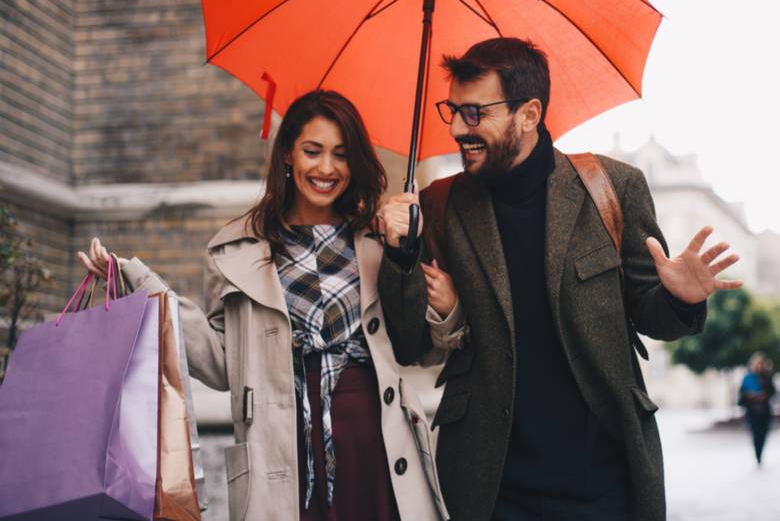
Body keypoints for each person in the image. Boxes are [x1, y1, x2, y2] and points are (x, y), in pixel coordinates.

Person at [374, 38, 743, 520]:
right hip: (491, 486)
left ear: (529, 114)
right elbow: (408, 343)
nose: (457, 128)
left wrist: (680, 300)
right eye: (452, 110)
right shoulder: (440, 205)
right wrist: (400, 255)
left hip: (605, 480)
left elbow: (653, 315)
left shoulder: (612, 186)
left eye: (474, 113)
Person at [77, 90, 463, 521]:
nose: (326, 168)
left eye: (340, 154)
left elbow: (419, 348)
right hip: (280, 449)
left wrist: (411, 264)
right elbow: (222, 364)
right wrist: (139, 282)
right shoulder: (237, 249)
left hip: (372, 439)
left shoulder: (378, 240)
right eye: (312, 151)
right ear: (287, 155)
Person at [738, 352, 775, 466]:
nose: (759, 366)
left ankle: (760, 452)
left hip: (764, 410)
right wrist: (751, 395)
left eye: (761, 364)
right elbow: (741, 393)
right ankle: (757, 455)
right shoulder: (747, 378)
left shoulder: (766, 377)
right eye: (757, 364)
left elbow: (772, 392)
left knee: (763, 433)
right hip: (752, 410)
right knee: (755, 433)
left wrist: (764, 394)